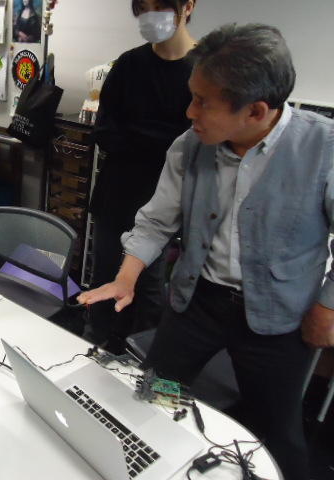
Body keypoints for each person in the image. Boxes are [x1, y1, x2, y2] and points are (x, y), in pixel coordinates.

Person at [79, 23, 334, 480]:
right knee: (157, 396)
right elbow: (157, 220)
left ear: (256, 111)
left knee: (277, 433)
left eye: (203, 102)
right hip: (197, 302)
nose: (189, 111)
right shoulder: (190, 146)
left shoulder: (324, 149)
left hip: (278, 317)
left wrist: (327, 307)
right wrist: (126, 277)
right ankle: (158, 466)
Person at [88, 0, 197, 353]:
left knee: (148, 287)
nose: (151, 15)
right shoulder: (129, 65)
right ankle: (91, 348)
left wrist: (138, 135)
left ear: (188, 6)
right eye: (143, 7)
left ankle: (138, 360)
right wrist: (162, 139)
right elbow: (105, 132)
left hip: (166, 203)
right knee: (105, 275)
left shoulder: (205, 69)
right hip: (116, 194)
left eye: (160, 5)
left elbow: (193, 146)